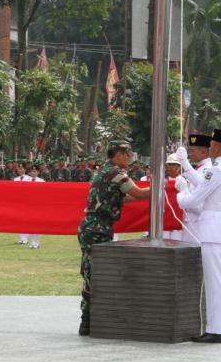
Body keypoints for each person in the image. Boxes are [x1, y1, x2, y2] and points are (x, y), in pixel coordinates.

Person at [77, 140, 150, 336]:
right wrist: (163, 188)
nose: (131, 157)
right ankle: (87, 320)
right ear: (119, 154)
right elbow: (138, 193)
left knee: (92, 272)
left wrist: (148, 195)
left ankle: (89, 320)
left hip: (94, 227)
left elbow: (124, 197)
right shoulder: (117, 173)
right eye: (128, 153)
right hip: (97, 228)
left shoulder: (104, 171)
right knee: (95, 273)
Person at [175, 128, 221, 343]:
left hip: (212, 229)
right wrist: (186, 166)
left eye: (211, 145)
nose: (209, 147)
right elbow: (205, 183)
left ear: (218, 147)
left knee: (216, 282)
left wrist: (181, 193)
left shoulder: (217, 170)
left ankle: (216, 329)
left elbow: (193, 199)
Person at [180, 134, 213, 243]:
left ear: (203, 152)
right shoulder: (199, 168)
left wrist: (185, 163)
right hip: (190, 217)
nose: (190, 154)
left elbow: (201, 185)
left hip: (199, 219)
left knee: (197, 254)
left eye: (192, 151)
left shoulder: (209, 169)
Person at [163, 154, 188, 240]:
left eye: (174, 164)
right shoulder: (162, 181)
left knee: (177, 243)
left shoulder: (185, 181)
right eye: (169, 164)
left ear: (179, 166)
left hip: (179, 218)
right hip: (164, 218)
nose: (171, 167)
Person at [26, 164, 45, 249]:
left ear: (38, 172)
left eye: (35, 171)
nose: (33, 173)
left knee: (37, 225)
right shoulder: (26, 181)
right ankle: (31, 242)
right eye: (32, 171)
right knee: (29, 225)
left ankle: (36, 243)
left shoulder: (42, 181)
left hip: (38, 206)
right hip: (28, 205)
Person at [13, 162, 32, 244]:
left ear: (25, 169)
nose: (20, 170)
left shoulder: (29, 179)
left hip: (27, 202)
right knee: (19, 220)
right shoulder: (15, 179)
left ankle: (25, 238)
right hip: (18, 202)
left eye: (22, 169)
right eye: (19, 169)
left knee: (26, 220)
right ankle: (22, 238)